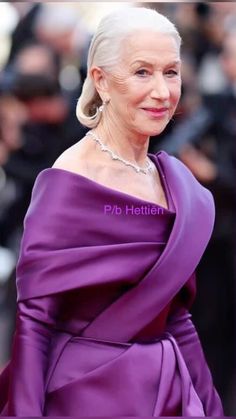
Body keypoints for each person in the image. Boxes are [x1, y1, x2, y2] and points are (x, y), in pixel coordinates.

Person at [0, 7, 224, 416]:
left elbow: (176, 317)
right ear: (100, 80)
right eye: (142, 72)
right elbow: (34, 323)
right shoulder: (71, 179)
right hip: (87, 394)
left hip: (168, 390)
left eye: (170, 72)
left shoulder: (172, 178)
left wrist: (210, 405)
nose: (162, 91)